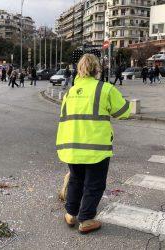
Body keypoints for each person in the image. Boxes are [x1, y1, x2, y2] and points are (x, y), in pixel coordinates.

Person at [56, 54, 131, 234]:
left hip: (71, 147)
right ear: (97, 69)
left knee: (76, 180)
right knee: (94, 184)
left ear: (79, 70)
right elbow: (123, 112)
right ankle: (86, 219)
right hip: (95, 148)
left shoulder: (70, 92)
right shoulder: (105, 89)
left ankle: (70, 214)